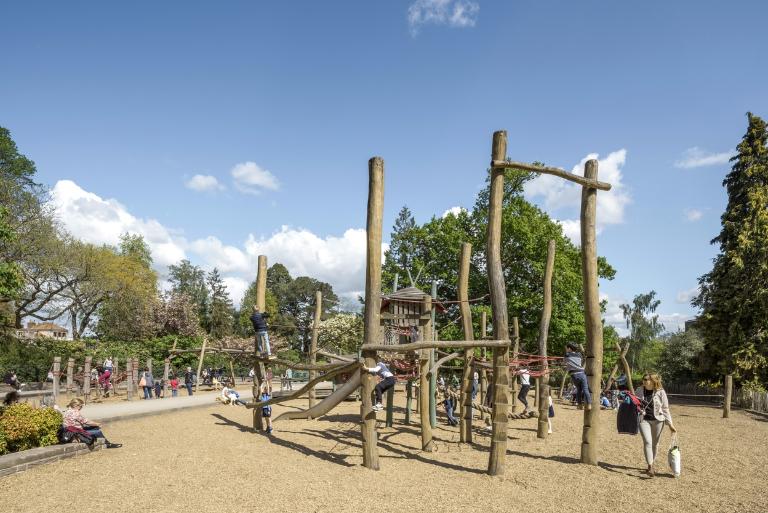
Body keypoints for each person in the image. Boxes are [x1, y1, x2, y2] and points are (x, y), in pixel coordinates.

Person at [636, 373, 677, 477]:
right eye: (644, 379)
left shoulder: (660, 392)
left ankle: (652, 462)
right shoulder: (639, 390)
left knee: (655, 444)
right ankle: (650, 466)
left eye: (647, 379)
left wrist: (670, 424)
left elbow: (665, 408)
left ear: (653, 381)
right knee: (647, 442)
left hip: (658, 420)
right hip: (643, 419)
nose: (645, 381)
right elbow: (635, 404)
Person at [564, 342, 592, 410]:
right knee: (585, 389)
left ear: (569, 348)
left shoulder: (567, 355)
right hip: (581, 373)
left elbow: (565, 362)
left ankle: (579, 405)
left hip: (574, 375)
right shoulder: (579, 355)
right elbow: (581, 360)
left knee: (579, 390)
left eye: (567, 348)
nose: (566, 349)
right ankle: (589, 405)